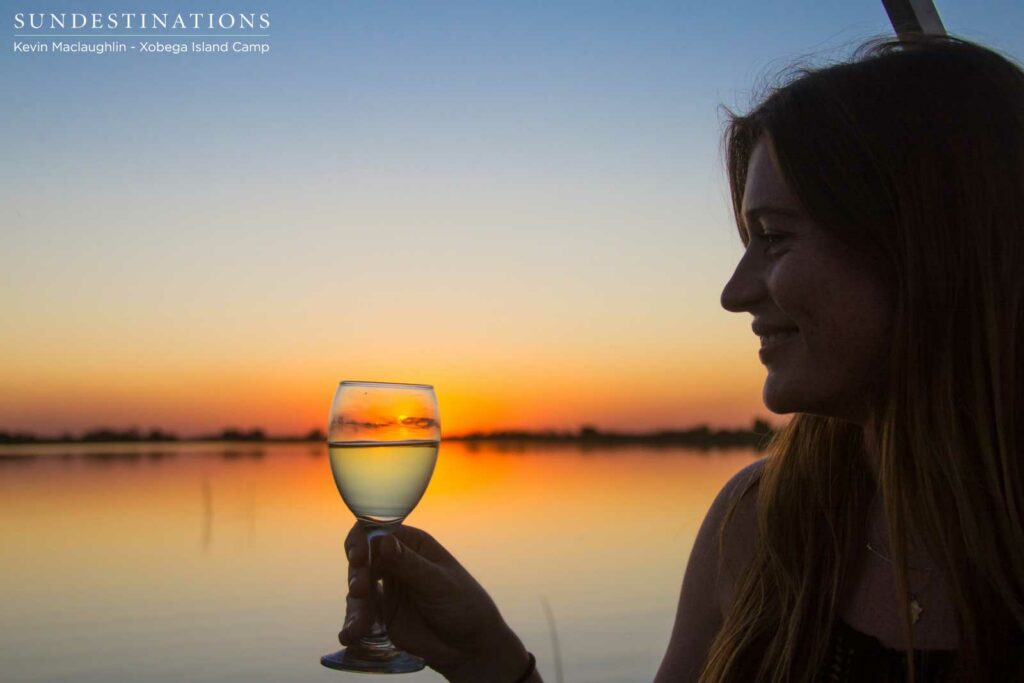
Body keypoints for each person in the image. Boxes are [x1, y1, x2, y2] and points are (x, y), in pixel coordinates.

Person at [340, 34, 1024, 682]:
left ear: (930, 248)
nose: (734, 293)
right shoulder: (761, 525)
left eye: (775, 238)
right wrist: (490, 660)